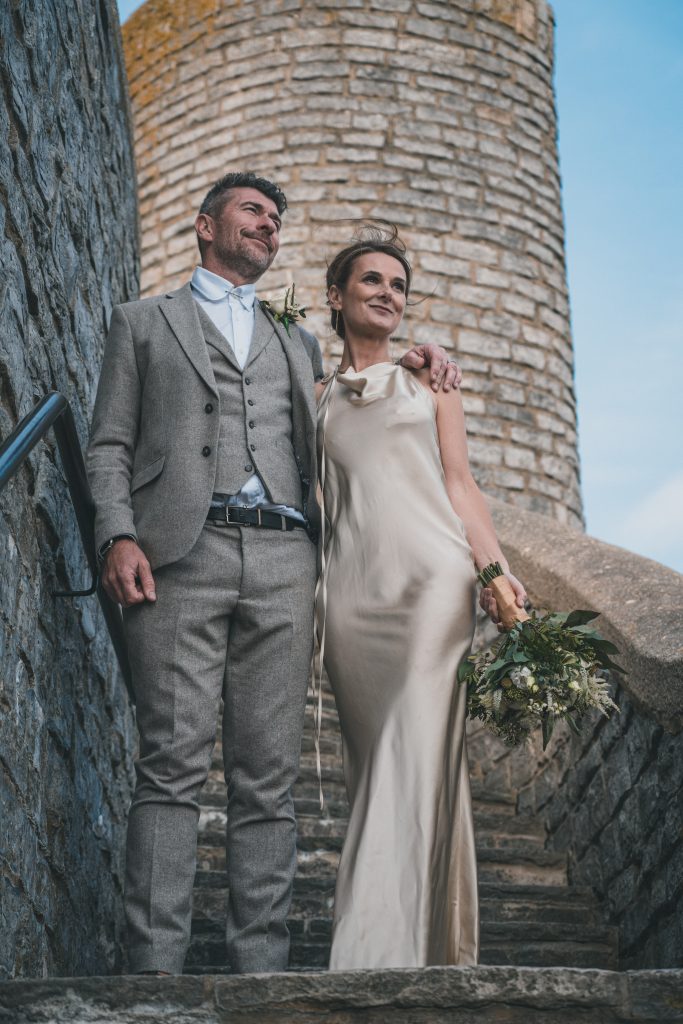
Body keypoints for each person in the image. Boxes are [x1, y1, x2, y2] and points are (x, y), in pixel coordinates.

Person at [86, 172, 461, 976]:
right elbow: (110, 443)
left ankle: (259, 970)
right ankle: (152, 967)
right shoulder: (143, 323)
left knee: (268, 779)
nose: (269, 224)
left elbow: (358, 387)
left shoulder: (292, 332)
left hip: (288, 559)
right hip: (179, 558)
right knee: (172, 766)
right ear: (202, 225)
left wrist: (422, 354)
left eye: (276, 219)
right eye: (253, 211)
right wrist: (118, 533)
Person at [315, 227, 527, 969]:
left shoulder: (430, 382)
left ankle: (370, 949)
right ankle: (431, 945)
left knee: (414, 747)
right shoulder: (310, 398)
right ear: (336, 297)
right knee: (380, 760)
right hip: (350, 599)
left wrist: (493, 568)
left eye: (399, 285)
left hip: (435, 582)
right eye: (370, 281)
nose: (387, 294)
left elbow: (458, 484)